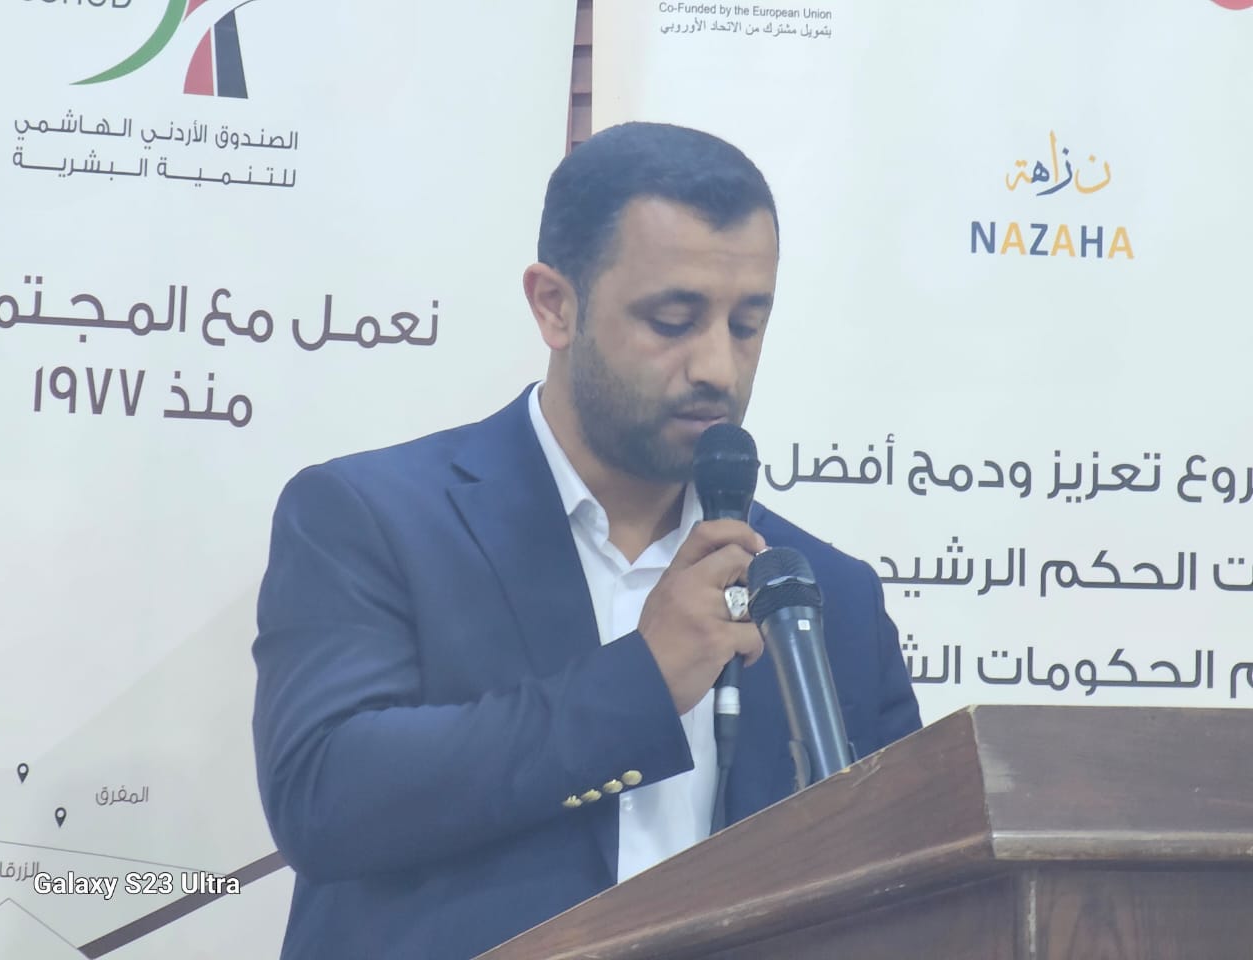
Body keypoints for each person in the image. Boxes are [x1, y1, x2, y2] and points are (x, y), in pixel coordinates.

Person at [252, 122, 920, 960]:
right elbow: (324, 798)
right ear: (555, 306)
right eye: (673, 320)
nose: (718, 367)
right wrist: (642, 682)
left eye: (748, 325)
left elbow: (914, 876)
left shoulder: (824, 596)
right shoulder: (373, 519)